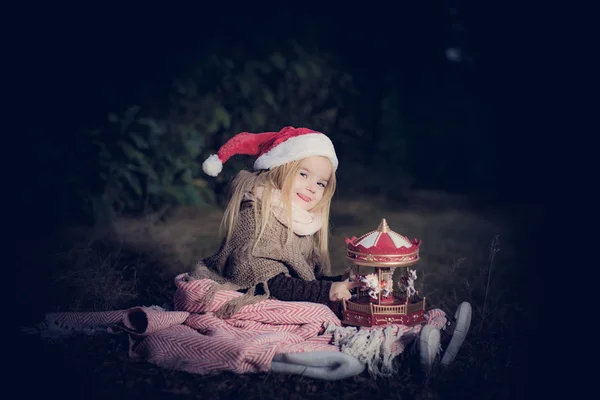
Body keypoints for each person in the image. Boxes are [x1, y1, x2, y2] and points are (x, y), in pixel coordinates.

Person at [189, 126, 363, 318]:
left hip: (279, 292)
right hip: (249, 291)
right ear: (279, 170)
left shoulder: (301, 220)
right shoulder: (256, 215)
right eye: (303, 174)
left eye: (321, 183)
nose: (312, 188)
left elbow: (304, 279)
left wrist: (341, 282)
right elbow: (263, 281)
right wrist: (326, 291)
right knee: (319, 317)